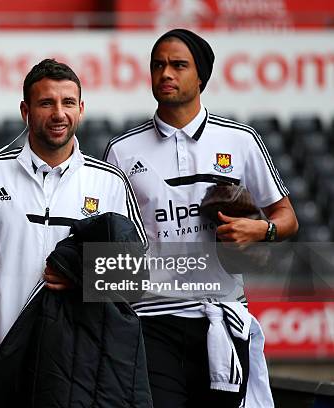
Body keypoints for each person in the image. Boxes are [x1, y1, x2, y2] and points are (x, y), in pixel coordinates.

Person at [104, 29, 298, 407]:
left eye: (178, 65)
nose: (165, 74)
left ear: (201, 77)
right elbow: (114, 243)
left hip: (222, 316)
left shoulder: (240, 140)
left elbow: (286, 216)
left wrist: (261, 229)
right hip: (151, 319)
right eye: (158, 65)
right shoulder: (121, 151)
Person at [0, 58, 148, 393]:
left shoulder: (110, 182)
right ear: (26, 110)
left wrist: (81, 275)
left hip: (80, 366)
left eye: (67, 103)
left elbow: (134, 277)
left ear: (81, 109)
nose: (58, 114)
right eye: (46, 103)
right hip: (2, 360)